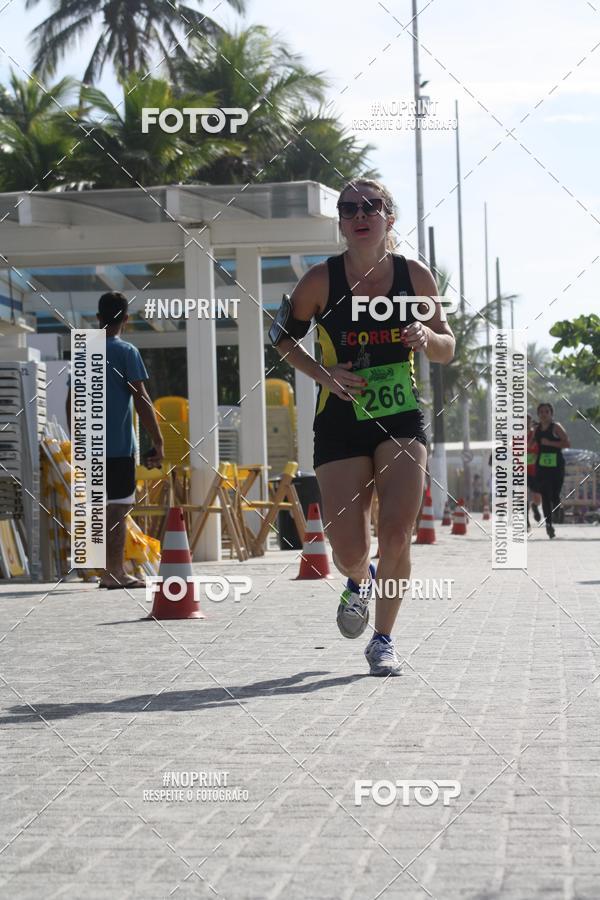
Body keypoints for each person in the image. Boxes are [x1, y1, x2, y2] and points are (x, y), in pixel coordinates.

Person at [272, 178, 455, 676]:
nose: (360, 214)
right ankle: (359, 581)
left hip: (399, 418)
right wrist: (323, 373)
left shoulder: (414, 277)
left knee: (397, 533)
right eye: (349, 207)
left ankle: (383, 640)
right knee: (348, 549)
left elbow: (447, 345)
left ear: (388, 217)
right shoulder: (319, 281)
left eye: (371, 206)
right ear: (342, 221)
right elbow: (282, 340)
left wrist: (425, 335)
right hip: (339, 421)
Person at [67, 292, 164, 587]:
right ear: (126, 319)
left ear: (97, 319)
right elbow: (142, 399)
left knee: (97, 508)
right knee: (118, 509)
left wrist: (78, 439)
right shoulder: (126, 352)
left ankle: (102, 570)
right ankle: (113, 573)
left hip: (90, 447)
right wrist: (158, 441)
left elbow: (72, 400)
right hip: (119, 448)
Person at [533, 402, 570, 538]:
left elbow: (567, 443)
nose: (543, 414)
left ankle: (557, 507)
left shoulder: (556, 427)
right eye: (541, 412)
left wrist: (550, 443)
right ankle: (548, 525)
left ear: (551, 414)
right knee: (545, 495)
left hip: (556, 465)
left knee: (555, 494)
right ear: (538, 414)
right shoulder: (536, 429)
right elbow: (531, 444)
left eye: (546, 411)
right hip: (542, 466)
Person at [526, 413, 542, 531]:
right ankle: (525, 521)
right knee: (523, 496)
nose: (525, 423)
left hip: (535, 470)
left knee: (537, 497)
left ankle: (535, 506)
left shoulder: (536, 434)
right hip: (521, 470)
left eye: (527, 421)